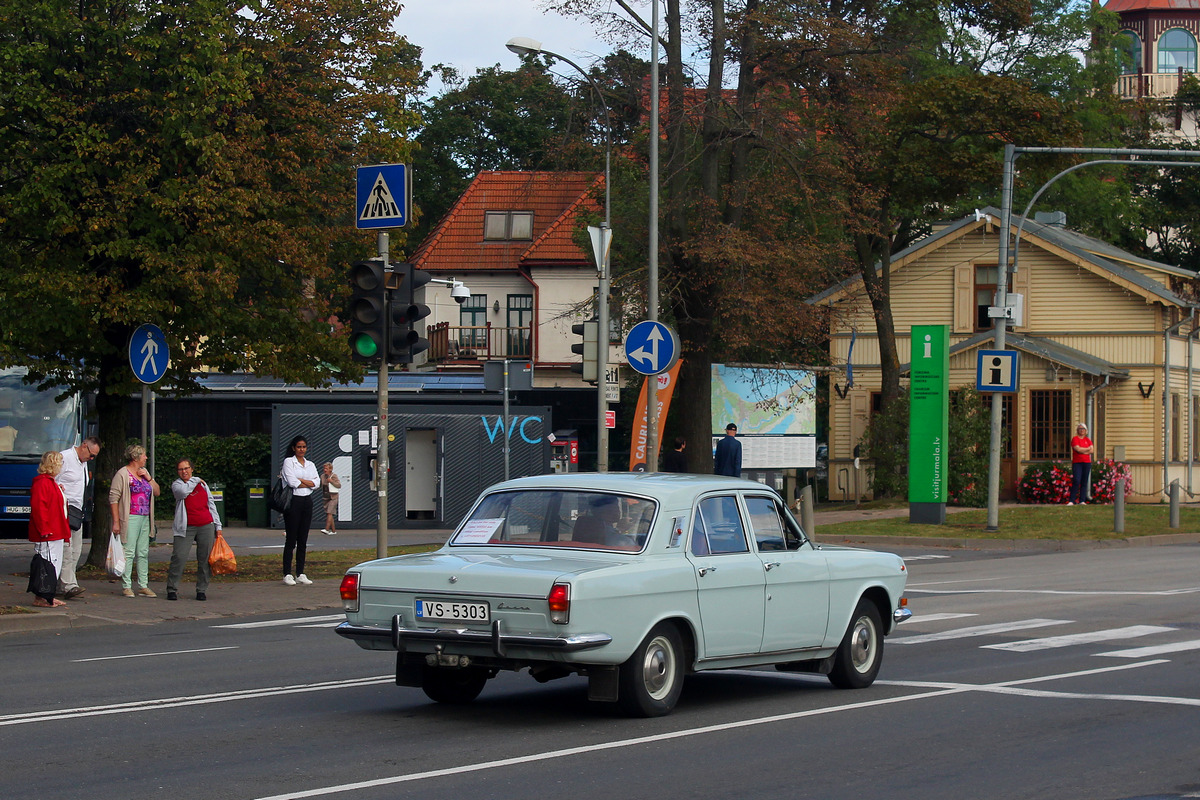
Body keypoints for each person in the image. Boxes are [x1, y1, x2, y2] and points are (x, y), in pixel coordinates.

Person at [167, 459, 222, 601]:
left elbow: (211, 504)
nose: (184, 471)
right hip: (185, 527)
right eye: (180, 469)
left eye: (186, 468)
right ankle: (172, 588)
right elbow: (184, 492)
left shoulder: (203, 485)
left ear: (192, 468)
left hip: (206, 524)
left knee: (204, 560)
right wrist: (196, 480)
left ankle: (201, 589)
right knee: (179, 556)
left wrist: (218, 525)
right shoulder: (177, 485)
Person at [108, 444, 160, 597]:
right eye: (144, 455)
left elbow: (156, 492)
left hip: (145, 517)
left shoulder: (144, 473)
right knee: (128, 551)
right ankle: (127, 585)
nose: (146, 458)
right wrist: (116, 521)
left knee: (143, 552)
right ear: (136, 457)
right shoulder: (123, 474)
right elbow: (114, 498)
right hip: (130, 516)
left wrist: (149, 478)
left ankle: (143, 585)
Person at [55, 435, 99, 600]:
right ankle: (69, 585)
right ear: (83, 445)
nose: (91, 458)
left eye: (94, 456)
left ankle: (63, 583)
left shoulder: (84, 462)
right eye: (91, 454)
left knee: (76, 550)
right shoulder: (65, 458)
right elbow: (54, 480)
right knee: (67, 549)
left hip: (77, 511)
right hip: (64, 509)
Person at [28, 451, 70, 608]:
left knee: (53, 564)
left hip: (55, 531)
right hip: (49, 532)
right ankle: (42, 596)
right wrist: (44, 528)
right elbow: (39, 507)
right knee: (48, 564)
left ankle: (48, 595)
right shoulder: (43, 483)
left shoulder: (50, 483)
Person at [281, 435, 320, 586]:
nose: (301, 450)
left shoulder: (310, 464)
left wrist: (303, 482)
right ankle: (287, 573)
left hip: (306, 501)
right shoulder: (288, 462)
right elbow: (292, 482)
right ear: (293, 448)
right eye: (299, 447)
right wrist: (308, 483)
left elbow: (316, 483)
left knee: (303, 538)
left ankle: (300, 573)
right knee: (291, 538)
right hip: (293, 501)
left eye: (304, 447)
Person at [1069, 422, 1095, 505]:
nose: (1081, 430)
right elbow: (1077, 449)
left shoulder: (1088, 440)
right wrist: (1086, 449)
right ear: (1077, 430)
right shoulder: (1075, 439)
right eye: (1080, 429)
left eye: (1083, 429)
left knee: (1084, 481)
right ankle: (1072, 500)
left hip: (1087, 463)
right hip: (1077, 463)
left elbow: (1092, 450)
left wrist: (1083, 450)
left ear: (1086, 430)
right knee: (1076, 480)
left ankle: (1082, 500)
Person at [320, 462, 341, 535]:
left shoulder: (334, 476)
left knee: (329, 512)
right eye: (324, 468)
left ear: (330, 469)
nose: (324, 470)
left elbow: (339, 485)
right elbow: (320, 485)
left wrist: (331, 481)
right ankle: (334, 531)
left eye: (326, 468)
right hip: (326, 497)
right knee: (329, 513)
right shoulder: (322, 476)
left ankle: (327, 529)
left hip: (333, 497)